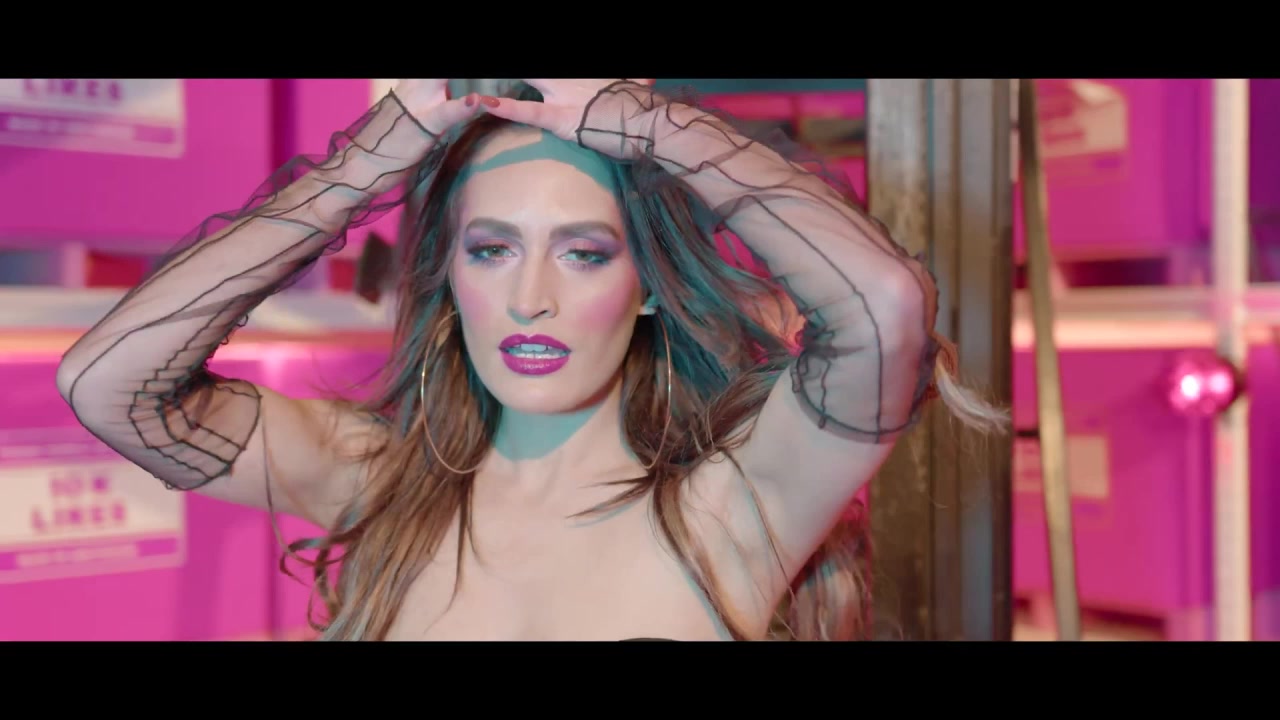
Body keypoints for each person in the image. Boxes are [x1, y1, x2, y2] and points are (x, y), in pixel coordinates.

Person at [55, 78, 1005, 641]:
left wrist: (651, 127)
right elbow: (107, 386)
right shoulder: (376, 483)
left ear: (647, 285)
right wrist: (357, 173)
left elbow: (884, 310)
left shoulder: (739, 501)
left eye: (584, 253)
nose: (530, 297)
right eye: (491, 249)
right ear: (449, 275)